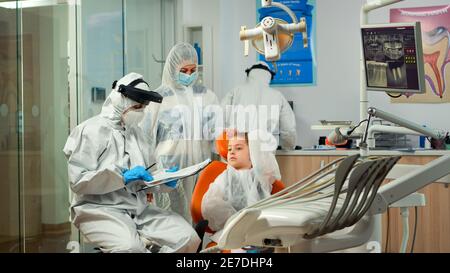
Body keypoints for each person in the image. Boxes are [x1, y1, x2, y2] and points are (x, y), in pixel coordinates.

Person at [63, 72, 200, 253]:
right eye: (137, 107)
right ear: (121, 101)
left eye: (143, 108)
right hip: (99, 210)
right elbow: (78, 182)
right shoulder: (90, 131)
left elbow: (148, 179)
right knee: (131, 248)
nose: (141, 112)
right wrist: (121, 177)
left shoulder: (139, 136)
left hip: (138, 209)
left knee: (189, 238)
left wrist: (164, 182)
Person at [151, 43, 219, 223]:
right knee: (169, 219)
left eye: (193, 70)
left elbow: (217, 134)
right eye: (184, 70)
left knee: (196, 217)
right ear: (173, 69)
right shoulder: (159, 97)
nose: (189, 75)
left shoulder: (206, 96)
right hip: (169, 170)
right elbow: (146, 138)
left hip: (199, 168)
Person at [201, 129, 281, 233]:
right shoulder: (225, 177)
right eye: (229, 149)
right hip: (230, 232)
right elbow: (210, 205)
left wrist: (256, 145)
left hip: (259, 232)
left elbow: (270, 168)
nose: (232, 152)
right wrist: (236, 221)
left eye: (238, 148)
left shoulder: (260, 177)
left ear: (252, 152)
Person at [222, 61, 297, 150]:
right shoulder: (277, 96)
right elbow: (289, 128)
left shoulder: (235, 91)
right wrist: (288, 146)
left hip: (238, 150)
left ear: (249, 74)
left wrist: (224, 148)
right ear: (269, 76)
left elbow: (220, 117)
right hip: (265, 150)